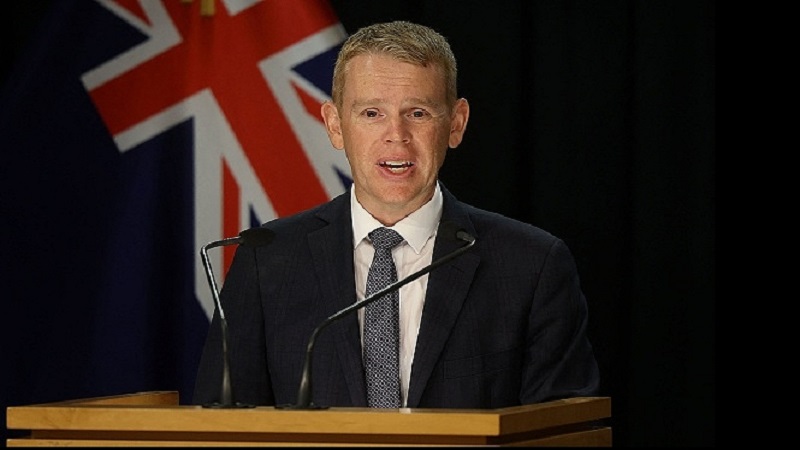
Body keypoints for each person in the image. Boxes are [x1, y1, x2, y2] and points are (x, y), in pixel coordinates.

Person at [193, 20, 599, 409]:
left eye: (418, 113)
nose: (397, 136)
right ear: (334, 125)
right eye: (372, 113)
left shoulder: (531, 264)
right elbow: (223, 426)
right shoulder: (267, 260)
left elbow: (563, 428)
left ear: (456, 124)